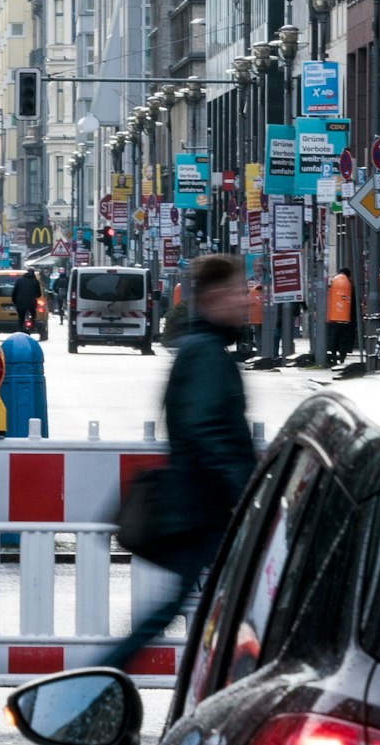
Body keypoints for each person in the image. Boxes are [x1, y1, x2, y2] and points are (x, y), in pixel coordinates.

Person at [102, 253, 257, 671]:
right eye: (239, 292)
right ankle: (97, 683)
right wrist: (242, 494)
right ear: (214, 297)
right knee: (195, 607)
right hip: (203, 510)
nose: (246, 300)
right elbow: (206, 431)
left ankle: (100, 681)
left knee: (187, 607)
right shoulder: (206, 354)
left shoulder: (203, 350)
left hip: (201, 506)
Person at [325, 267, 354, 366]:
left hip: (334, 317)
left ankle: (333, 355)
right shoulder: (350, 284)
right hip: (346, 318)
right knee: (344, 338)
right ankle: (342, 356)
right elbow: (353, 303)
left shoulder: (334, 282)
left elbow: (328, 299)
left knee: (333, 337)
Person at [10, 268, 44, 337]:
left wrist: (14, 301)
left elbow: (14, 292)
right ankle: (33, 325)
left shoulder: (19, 280)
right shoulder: (35, 281)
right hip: (31, 304)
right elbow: (39, 294)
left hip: (20, 304)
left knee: (21, 318)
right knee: (33, 314)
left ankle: (20, 332)